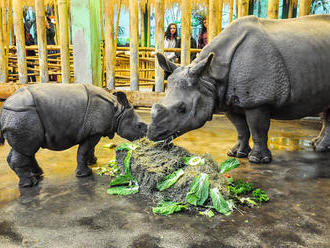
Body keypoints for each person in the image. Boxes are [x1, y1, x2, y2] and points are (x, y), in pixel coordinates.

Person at [45, 16, 57, 81]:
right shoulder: (39, 26)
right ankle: (48, 79)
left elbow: (53, 34)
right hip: (45, 49)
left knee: (53, 64)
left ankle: (55, 79)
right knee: (46, 65)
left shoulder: (50, 25)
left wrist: (48, 27)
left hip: (51, 48)